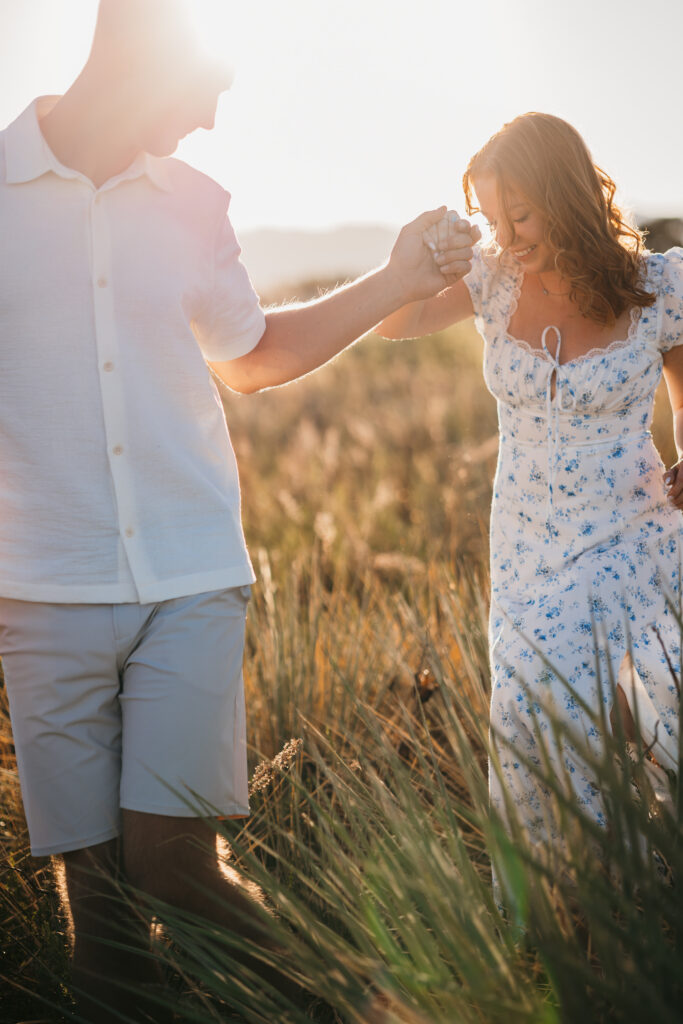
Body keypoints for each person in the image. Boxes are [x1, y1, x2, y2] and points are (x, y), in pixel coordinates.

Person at [0, 1, 477, 1020]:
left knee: (174, 862)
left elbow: (252, 357)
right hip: (43, 596)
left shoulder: (194, 205)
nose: (213, 119)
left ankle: (366, 1009)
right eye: (205, 87)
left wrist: (394, 277)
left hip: (189, 580)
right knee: (105, 929)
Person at [379, 112, 683, 896]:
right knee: (536, 734)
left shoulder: (659, 287)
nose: (505, 234)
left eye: (520, 214)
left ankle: (655, 891)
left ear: (568, 194)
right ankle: (577, 915)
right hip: (527, 552)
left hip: (636, 533)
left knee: (667, 714)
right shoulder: (491, 278)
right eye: (490, 216)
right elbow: (398, 319)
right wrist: (413, 252)